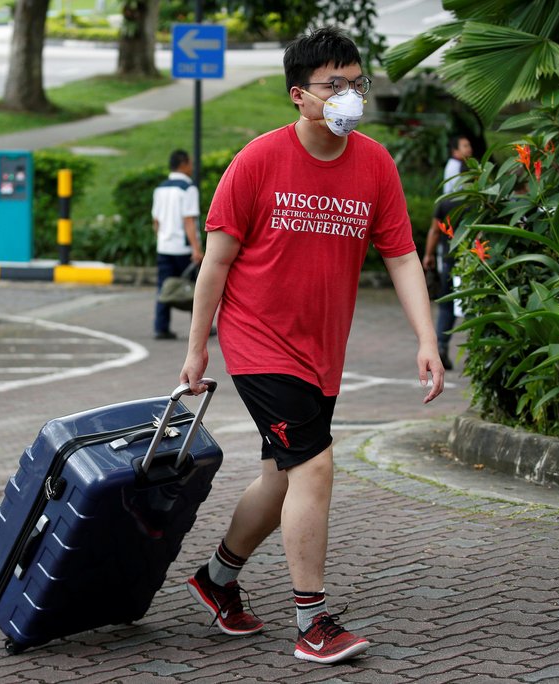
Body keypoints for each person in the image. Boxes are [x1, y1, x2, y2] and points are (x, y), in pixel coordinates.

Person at [179, 27, 445, 664]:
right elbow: (214, 264)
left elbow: (403, 256)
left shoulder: (375, 163)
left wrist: (427, 339)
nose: (349, 95)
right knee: (316, 465)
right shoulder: (259, 161)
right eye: (335, 85)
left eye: (357, 83)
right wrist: (197, 349)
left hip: (322, 351)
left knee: (284, 474)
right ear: (300, 95)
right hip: (258, 340)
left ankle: (215, 581)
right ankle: (312, 621)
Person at [423, 134, 473, 370]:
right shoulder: (476, 203)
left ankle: (441, 345)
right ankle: (478, 349)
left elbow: (434, 232)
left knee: (446, 303)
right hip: (472, 260)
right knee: (471, 305)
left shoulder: (445, 203)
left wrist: (429, 255)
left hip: (448, 258)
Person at [152, 149, 203, 340]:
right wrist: (196, 249)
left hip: (164, 246)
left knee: (164, 288)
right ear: (183, 164)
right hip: (183, 248)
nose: (192, 166)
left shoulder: (161, 188)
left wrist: (161, 238)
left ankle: (161, 327)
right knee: (195, 288)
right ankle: (197, 330)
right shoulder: (188, 188)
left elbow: (156, 221)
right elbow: (188, 220)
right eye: (190, 162)